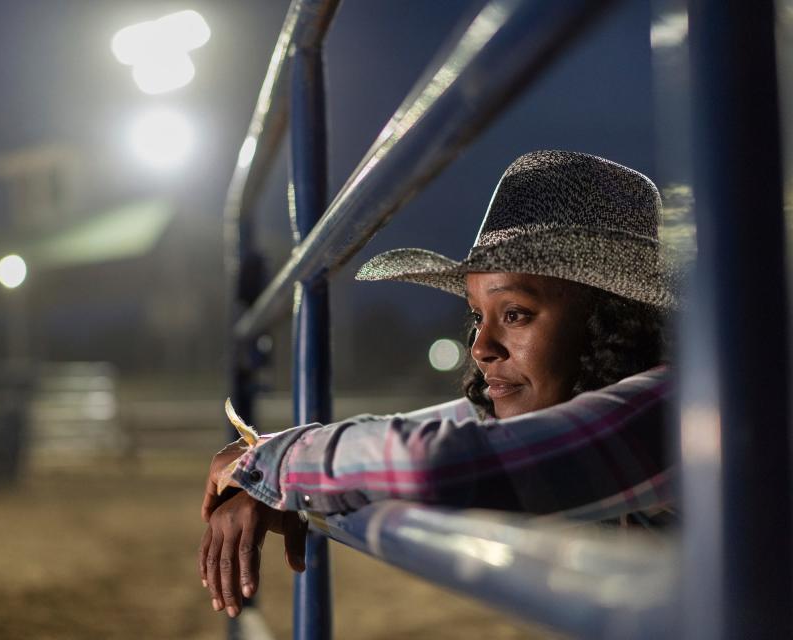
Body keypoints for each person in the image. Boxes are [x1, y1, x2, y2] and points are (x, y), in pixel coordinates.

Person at [198, 150, 678, 618]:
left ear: (612, 321)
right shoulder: (585, 400)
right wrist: (269, 468)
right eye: (476, 316)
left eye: (514, 314)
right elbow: (432, 433)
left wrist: (273, 466)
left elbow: (445, 461)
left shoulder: (677, 411)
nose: (480, 346)